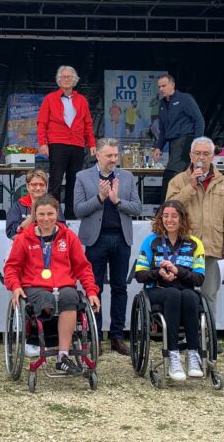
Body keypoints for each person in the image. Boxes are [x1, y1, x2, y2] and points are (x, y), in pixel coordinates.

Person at [3, 195, 101, 375]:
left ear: (57, 214)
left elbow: (83, 267)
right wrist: (15, 286)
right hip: (35, 286)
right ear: (34, 215)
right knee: (45, 299)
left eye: (50, 214)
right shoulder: (24, 239)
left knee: (70, 297)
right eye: (41, 214)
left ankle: (62, 356)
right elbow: (11, 267)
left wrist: (91, 291)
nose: (46, 218)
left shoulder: (69, 237)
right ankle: (42, 340)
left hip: (63, 285)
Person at [73, 138, 142, 355]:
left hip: (121, 238)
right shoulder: (83, 177)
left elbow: (137, 208)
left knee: (120, 288)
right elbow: (78, 210)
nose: (113, 159)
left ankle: (117, 336)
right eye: (109, 155)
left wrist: (117, 201)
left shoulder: (127, 177)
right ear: (98, 155)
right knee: (95, 288)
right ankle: (95, 335)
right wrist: (100, 198)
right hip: (96, 240)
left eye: (115, 155)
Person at [165, 136, 224, 327]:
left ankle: (208, 336)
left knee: (209, 295)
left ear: (212, 157)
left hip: (213, 247)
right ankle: (186, 334)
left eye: (205, 154)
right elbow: (170, 209)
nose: (201, 158)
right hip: (184, 247)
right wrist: (191, 186)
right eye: (198, 153)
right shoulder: (178, 180)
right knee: (183, 294)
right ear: (190, 155)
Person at [134, 200, 206, 381]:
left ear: (182, 219)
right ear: (160, 218)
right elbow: (139, 275)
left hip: (185, 290)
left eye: (174, 216)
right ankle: (173, 355)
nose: (169, 220)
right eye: (165, 216)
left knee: (190, 296)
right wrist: (158, 273)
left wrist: (178, 271)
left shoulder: (194, 243)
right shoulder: (151, 241)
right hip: (158, 290)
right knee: (173, 294)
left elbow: (199, 278)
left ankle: (193, 353)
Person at [37, 65, 97, 220]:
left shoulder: (82, 100)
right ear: (58, 80)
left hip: (77, 144)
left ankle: (71, 213)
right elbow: (42, 123)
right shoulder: (50, 98)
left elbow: (88, 124)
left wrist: (91, 143)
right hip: (57, 143)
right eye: (63, 77)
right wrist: (42, 143)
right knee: (56, 180)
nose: (66, 79)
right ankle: (54, 214)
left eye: (69, 77)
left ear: (74, 80)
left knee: (74, 181)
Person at [152, 74, 205, 204]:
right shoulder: (162, 104)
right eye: (159, 87)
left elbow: (199, 121)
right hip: (172, 144)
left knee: (171, 175)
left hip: (186, 141)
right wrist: (158, 147)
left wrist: (196, 145)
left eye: (164, 86)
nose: (161, 89)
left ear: (172, 85)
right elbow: (163, 130)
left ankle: (164, 209)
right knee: (180, 178)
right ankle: (175, 209)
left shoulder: (185, 99)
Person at [5, 169, 65, 239]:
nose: (38, 188)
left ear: (46, 186)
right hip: (25, 243)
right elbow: (11, 232)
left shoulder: (54, 204)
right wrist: (31, 218)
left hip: (50, 242)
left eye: (41, 184)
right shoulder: (18, 205)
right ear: (27, 186)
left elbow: (63, 228)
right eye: (34, 184)